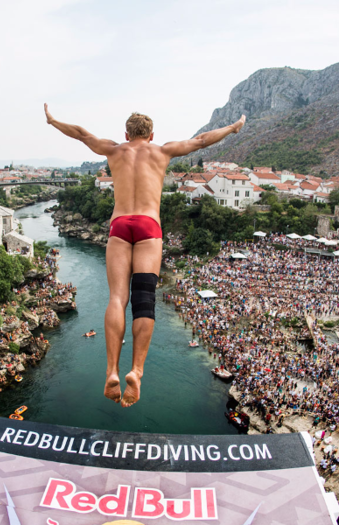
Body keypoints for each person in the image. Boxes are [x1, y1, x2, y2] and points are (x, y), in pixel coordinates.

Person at [45, 103, 246, 406]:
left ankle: (112, 370)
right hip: (149, 226)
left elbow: (82, 135)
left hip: (120, 225)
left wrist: (53, 121)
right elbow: (203, 140)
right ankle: (136, 372)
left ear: (125, 134)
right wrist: (233, 127)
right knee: (144, 299)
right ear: (152, 135)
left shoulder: (114, 150)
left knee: (116, 298)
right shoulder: (162, 151)